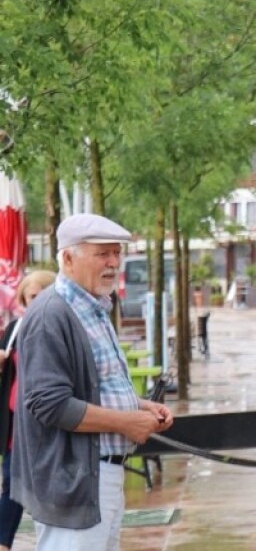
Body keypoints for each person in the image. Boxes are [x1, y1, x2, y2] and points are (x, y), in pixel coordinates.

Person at [12, 213, 174, 549]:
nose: (114, 263)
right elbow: (50, 404)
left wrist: (140, 406)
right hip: (74, 479)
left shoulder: (94, 307)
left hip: (97, 476)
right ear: (68, 258)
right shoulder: (51, 314)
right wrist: (127, 422)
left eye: (117, 253)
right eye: (102, 254)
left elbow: (92, 386)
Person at [0, 269, 55, 551]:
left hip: (45, 422)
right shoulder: (14, 329)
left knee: (45, 485)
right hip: (14, 422)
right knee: (11, 482)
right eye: (30, 297)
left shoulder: (57, 327)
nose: (35, 302)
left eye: (40, 296)